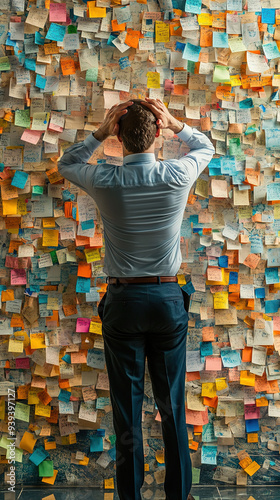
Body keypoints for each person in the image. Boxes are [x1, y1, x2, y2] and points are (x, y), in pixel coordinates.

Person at [58, 98, 215, 500]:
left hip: (124, 302)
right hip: (166, 299)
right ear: (158, 134)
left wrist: (98, 132)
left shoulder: (105, 179)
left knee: (127, 412)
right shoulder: (178, 172)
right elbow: (206, 147)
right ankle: (178, 496)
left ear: (119, 137)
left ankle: (130, 497)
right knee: (173, 409)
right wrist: (178, 122)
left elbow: (67, 164)